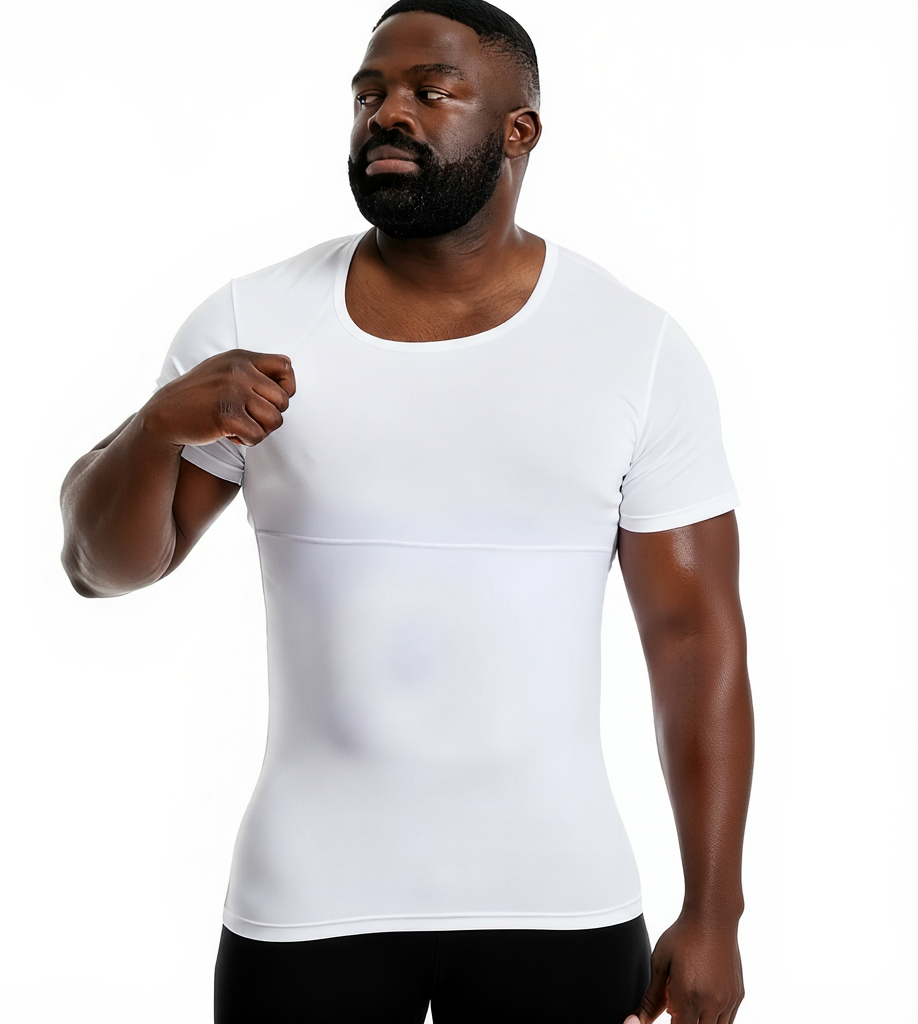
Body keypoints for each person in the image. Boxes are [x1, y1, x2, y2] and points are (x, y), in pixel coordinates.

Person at [59, 1, 754, 1021]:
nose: (387, 113)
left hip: (556, 896)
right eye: (369, 94)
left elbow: (695, 639)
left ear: (519, 130)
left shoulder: (633, 345)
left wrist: (715, 911)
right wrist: (157, 427)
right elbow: (100, 566)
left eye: (431, 91)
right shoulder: (254, 321)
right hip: (306, 902)